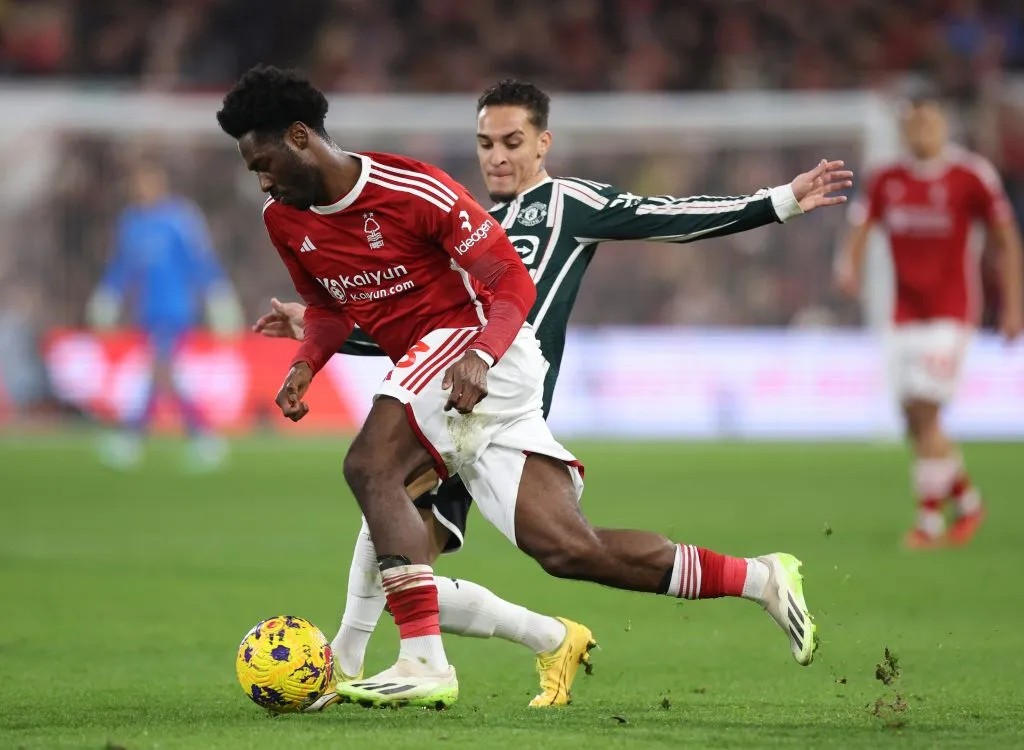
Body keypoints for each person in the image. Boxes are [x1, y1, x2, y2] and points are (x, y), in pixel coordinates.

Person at [246, 74, 850, 709]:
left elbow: (664, 217)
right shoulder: (465, 218)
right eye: (485, 143)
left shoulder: (563, 203)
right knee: (557, 548)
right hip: (454, 389)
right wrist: (318, 345)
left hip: (491, 380)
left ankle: (392, 660)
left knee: (378, 482)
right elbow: (407, 323)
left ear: (543, 145)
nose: (497, 157)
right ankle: (755, 580)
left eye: (512, 141)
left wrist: (778, 200)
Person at [835, 84, 1023, 549]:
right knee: (914, 422)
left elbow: (1006, 239)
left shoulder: (970, 175)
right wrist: (849, 267)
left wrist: (1014, 304)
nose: (920, 128)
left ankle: (929, 523)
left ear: (943, 121)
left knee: (925, 411)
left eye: (929, 118)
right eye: (912, 119)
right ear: (902, 125)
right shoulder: (886, 178)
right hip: (902, 314)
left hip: (951, 313)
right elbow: (861, 227)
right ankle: (970, 502)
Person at [86, 156, 242, 471]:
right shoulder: (130, 222)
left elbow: (200, 261)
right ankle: (196, 438)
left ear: (161, 182)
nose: (142, 187)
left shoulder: (180, 219)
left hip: (176, 309)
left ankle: (144, 437)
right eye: (137, 182)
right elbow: (122, 267)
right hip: (147, 311)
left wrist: (218, 296)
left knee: (161, 371)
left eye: (148, 180)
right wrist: (108, 296)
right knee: (162, 376)